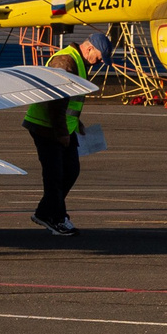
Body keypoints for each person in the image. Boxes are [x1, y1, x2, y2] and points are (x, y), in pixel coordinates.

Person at [24, 34, 98, 237]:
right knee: (55, 176)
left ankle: (45, 212)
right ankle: (56, 218)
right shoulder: (65, 62)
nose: (99, 62)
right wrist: (61, 133)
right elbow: (56, 102)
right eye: (99, 57)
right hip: (46, 126)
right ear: (89, 49)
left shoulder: (77, 61)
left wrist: (76, 122)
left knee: (70, 171)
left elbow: (69, 104)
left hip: (63, 126)